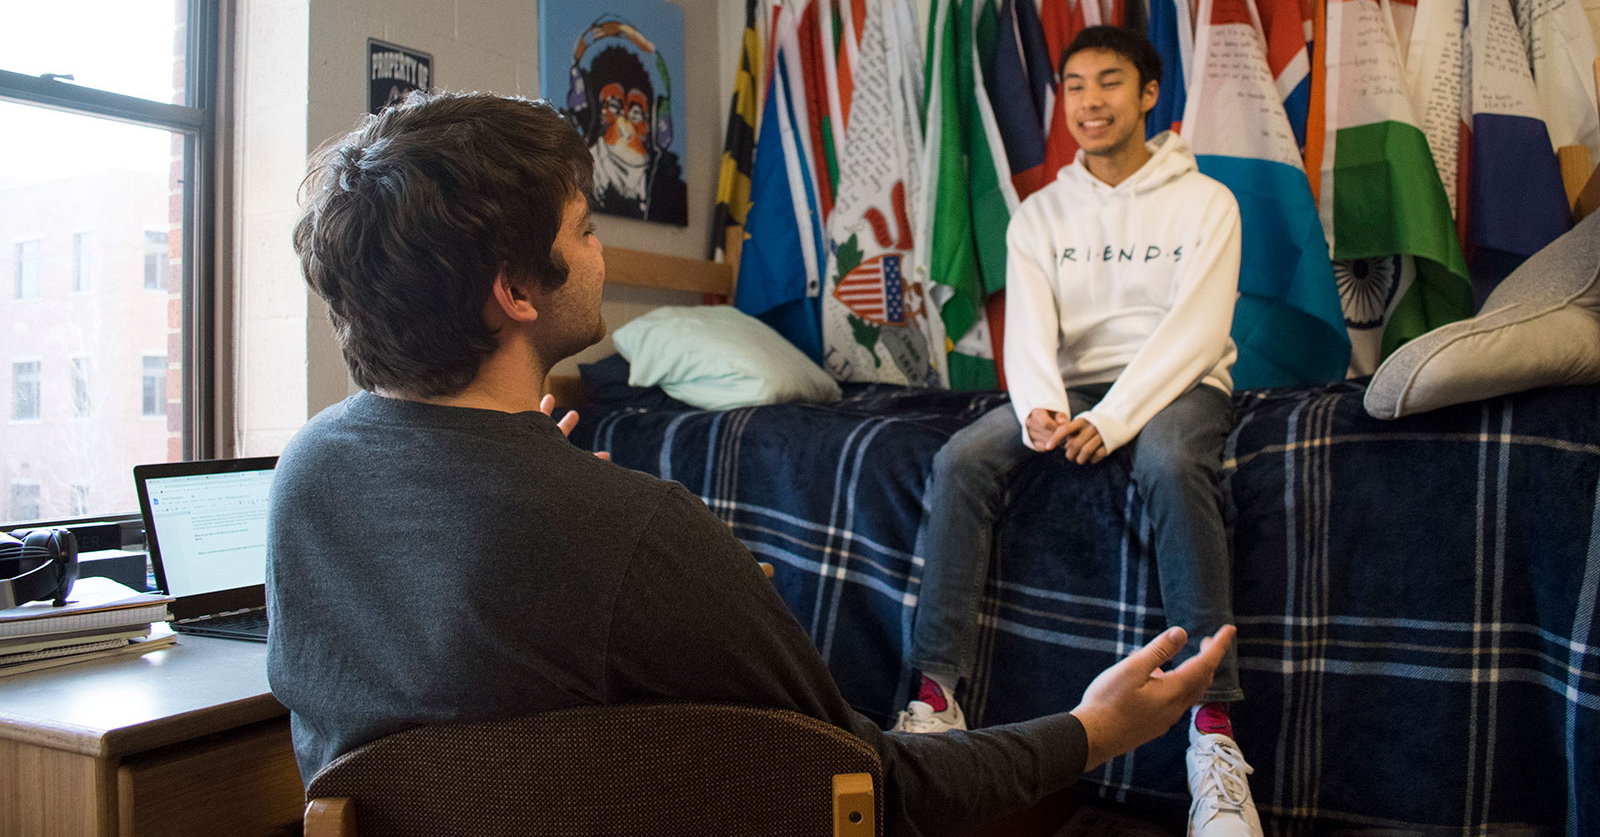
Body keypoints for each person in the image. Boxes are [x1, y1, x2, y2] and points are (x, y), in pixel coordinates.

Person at [267, 90, 1237, 837]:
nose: (602, 256)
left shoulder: (303, 474)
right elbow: (883, 786)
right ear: (517, 290)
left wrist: (565, 509)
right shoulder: (635, 525)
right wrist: (1095, 730)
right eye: (587, 230)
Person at [895, 25, 1261, 836]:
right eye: (1075, 86)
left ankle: (1214, 735)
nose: (1090, 102)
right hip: (1071, 387)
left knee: (1168, 466)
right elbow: (1028, 331)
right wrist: (1038, 407)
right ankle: (933, 698)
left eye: (1110, 83)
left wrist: (1115, 417)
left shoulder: (1207, 201)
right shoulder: (1040, 213)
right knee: (961, 458)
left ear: (1148, 94)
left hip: (1177, 380)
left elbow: (1196, 331)